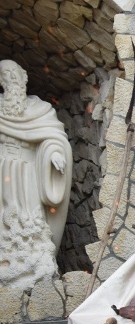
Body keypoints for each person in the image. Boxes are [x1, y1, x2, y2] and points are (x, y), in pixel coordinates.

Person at [0, 59, 72, 288]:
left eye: (14, 75)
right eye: (5, 76)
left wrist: (54, 154)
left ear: (24, 78)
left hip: (28, 173)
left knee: (28, 217)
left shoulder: (38, 109)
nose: (11, 80)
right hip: (2, 171)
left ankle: (34, 265)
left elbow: (52, 138)